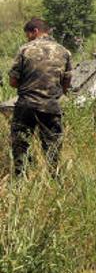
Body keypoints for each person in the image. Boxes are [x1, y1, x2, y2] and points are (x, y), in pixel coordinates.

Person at [7, 18, 72, 174]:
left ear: (34, 31)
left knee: (20, 146)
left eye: (27, 34)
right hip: (51, 106)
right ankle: (53, 179)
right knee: (53, 148)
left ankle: (21, 180)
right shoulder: (64, 51)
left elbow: (13, 81)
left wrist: (28, 84)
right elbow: (67, 83)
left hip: (26, 106)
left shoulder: (24, 50)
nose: (27, 38)